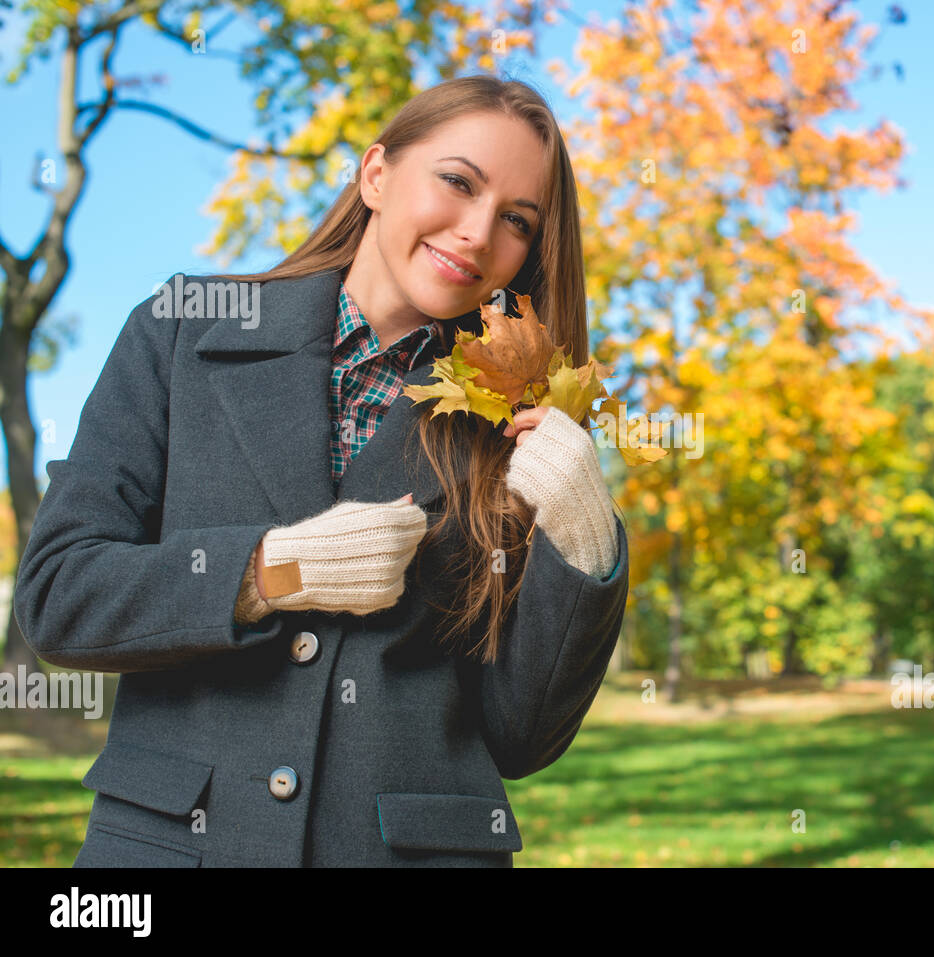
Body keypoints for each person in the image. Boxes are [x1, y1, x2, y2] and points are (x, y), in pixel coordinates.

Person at [13, 74, 630, 867]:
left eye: (516, 219)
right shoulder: (183, 333)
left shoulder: (514, 422)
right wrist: (270, 571)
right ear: (375, 175)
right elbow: (60, 595)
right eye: (457, 182)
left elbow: (521, 735)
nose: (478, 232)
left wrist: (582, 546)